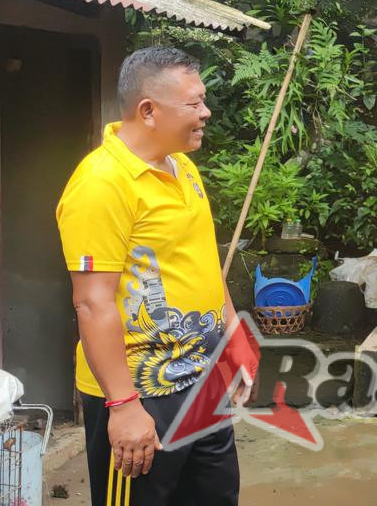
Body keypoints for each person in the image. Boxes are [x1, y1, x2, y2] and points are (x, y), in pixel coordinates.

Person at [57, 46, 254, 506]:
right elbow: (92, 302)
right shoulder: (100, 185)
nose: (205, 113)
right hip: (142, 391)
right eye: (194, 104)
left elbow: (203, 261)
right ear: (148, 110)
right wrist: (123, 406)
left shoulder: (181, 166)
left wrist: (234, 335)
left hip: (203, 382)